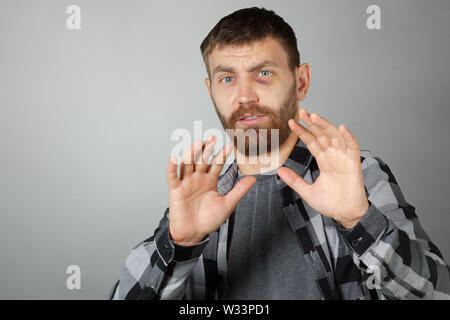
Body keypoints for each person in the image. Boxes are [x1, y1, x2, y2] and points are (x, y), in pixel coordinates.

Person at [108, 7, 450, 300]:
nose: (244, 96)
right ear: (210, 89)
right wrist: (177, 245)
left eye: (263, 73)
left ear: (300, 82)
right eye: (227, 78)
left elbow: (439, 292)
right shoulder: (204, 191)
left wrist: (359, 221)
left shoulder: (358, 174)